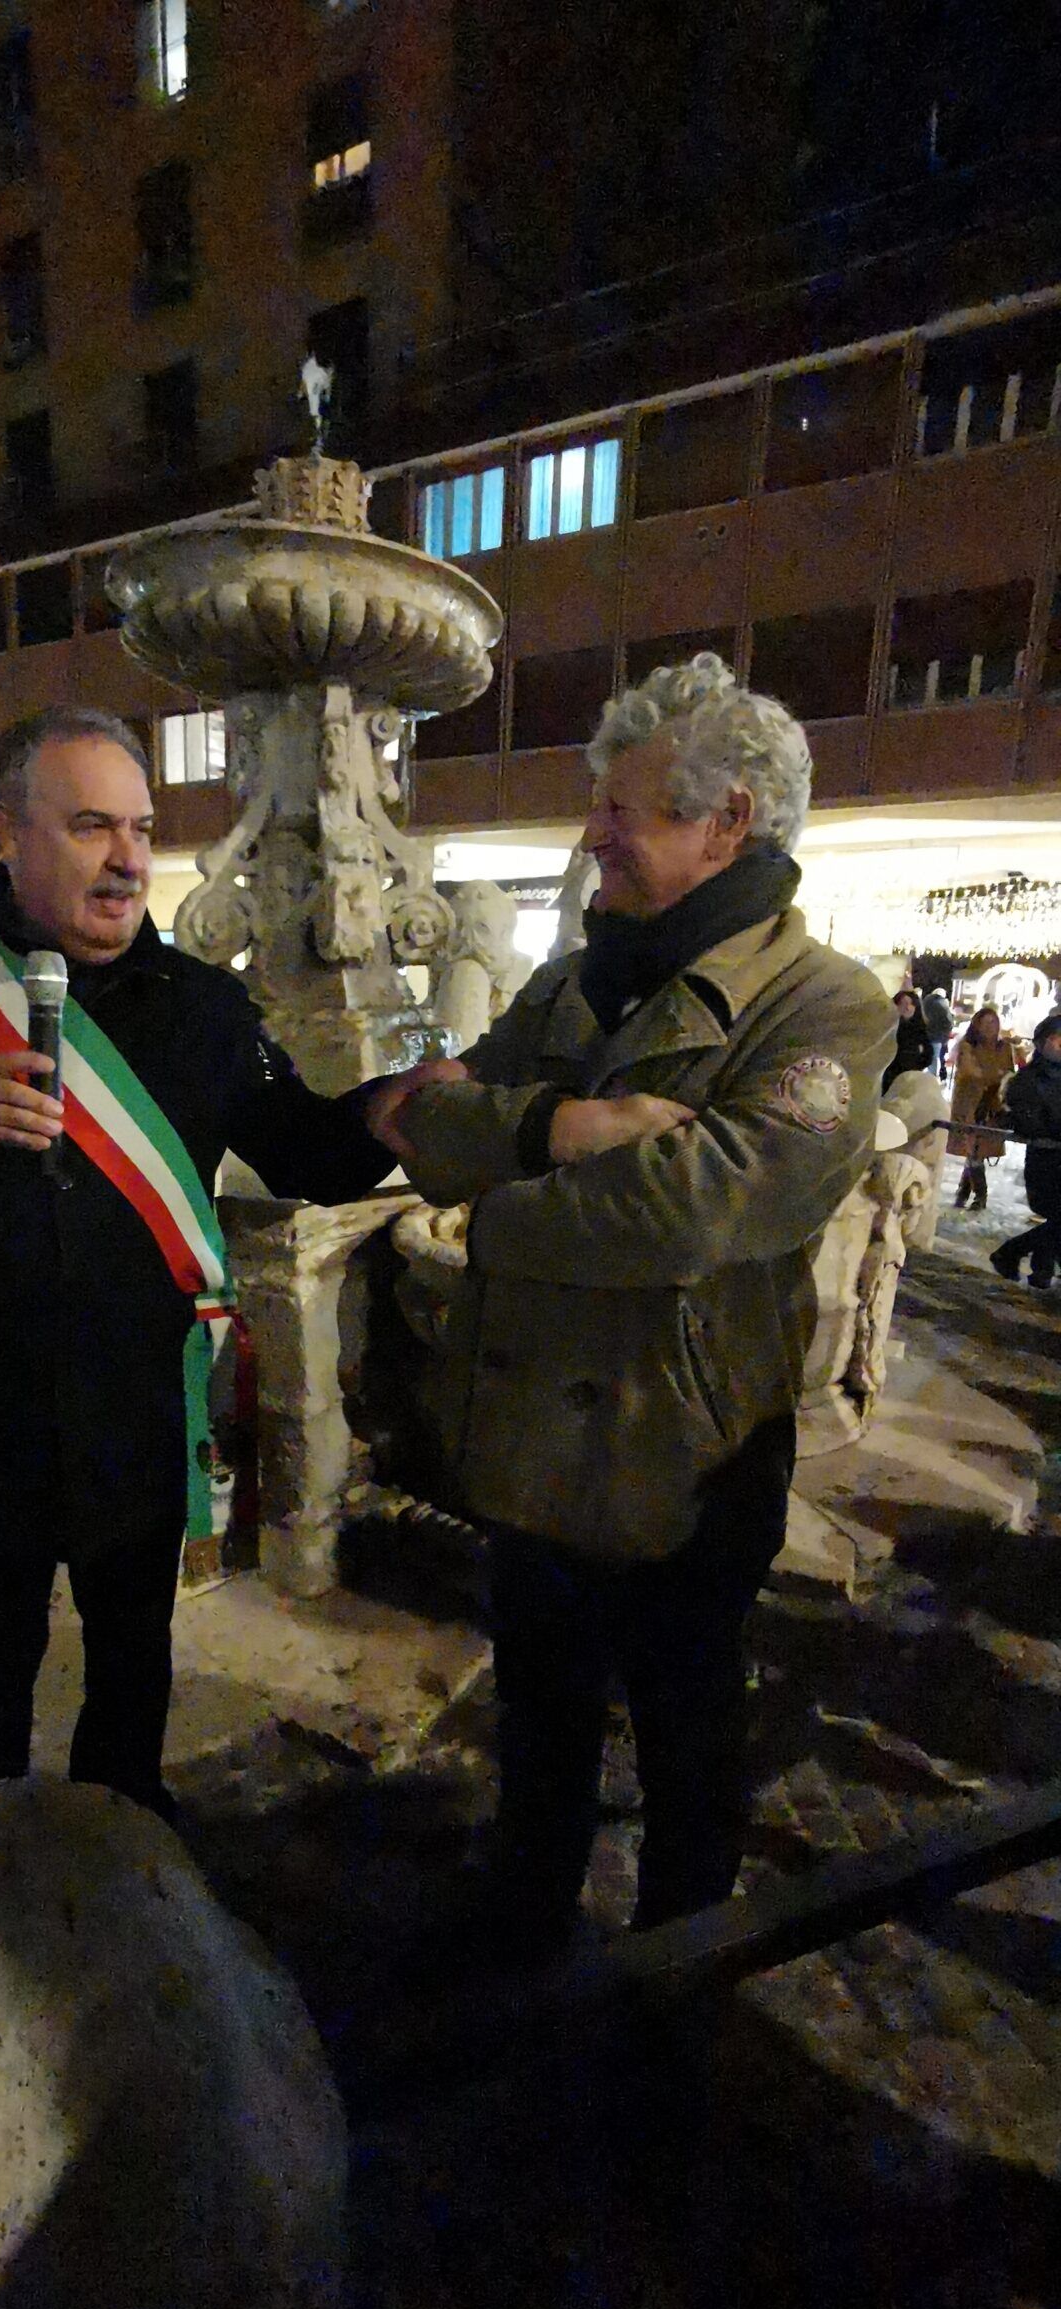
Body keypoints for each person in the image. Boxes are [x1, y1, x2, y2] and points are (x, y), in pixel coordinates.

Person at [0, 706, 432, 1808]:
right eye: (91, 826)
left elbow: (305, 1150)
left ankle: (125, 1857)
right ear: (9, 833)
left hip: (135, 1430)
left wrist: (387, 1112)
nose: (128, 858)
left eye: (140, 827)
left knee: (132, 1689)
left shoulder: (205, 1010)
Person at [371, 654, 894, 1945]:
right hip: (530, 1455)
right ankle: (524, 1936)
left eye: (624, 808)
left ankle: (677, 1981)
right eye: (598, 803)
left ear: (729, 822)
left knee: (688, 1753)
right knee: (537, 1733)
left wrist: (491, 1217)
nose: (590, 834)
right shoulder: (568, 981)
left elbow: (704, 1206)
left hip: (687, 1460)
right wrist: (565, 1127)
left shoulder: (825, 1001)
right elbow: (423, 1123)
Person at [991, 1012, 1061, 1288]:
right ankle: (1011, 1253)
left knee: (1057, 1221)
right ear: (1042, 1043)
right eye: (1057, 1040)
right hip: (1045, 1162)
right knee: (1058, 1219)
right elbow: (1028, 1120)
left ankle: (1040, 1271)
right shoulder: (1028, 1080)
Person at [947, 1004, 1020, 1210]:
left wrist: (997, 1078)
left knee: (977, 1151)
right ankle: (980, 1193)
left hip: (992, 1106)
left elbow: (1009, 1074)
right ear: (976, 1025)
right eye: (986, 1022)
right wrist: (995, 1075)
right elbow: (971, 1073)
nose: (990, 1027)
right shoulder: (967, 1046)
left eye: (994, 1022)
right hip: (970, 1105)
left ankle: (964, 1191)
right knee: (973, 1148)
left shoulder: (1004, 1048)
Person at [882, 988, 934, 1093]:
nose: (907, 1007)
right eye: (903, 1003)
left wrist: (917, 1067)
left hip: (909, 1079)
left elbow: (928, 1054)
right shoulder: (888, 1029)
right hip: (889, 1078)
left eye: (911, 1004)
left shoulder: (920, 1030)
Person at [920, 982, 954, 1070]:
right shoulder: (943, 1005)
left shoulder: (925, 1002)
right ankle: (933, 1076)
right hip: (937, 1036)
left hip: (924, 1034)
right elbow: (949, 1022)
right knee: (934, 1057)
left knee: (922, 1055)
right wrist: (945, 1037)